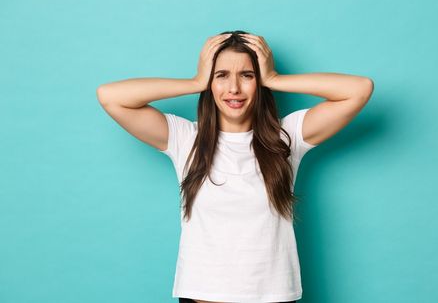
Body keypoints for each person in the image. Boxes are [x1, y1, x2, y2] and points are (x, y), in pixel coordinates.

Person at [96, 30, 374, 303]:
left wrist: (275, 78)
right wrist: (195, 82)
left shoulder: (287, 137)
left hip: (273, 296)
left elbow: (359, 89)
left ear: (260, 81)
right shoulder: (185, 139)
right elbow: (111, 96)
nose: (234, 89)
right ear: (210, 82)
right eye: (222, 75)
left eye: (247, 75)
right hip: (203, 296)